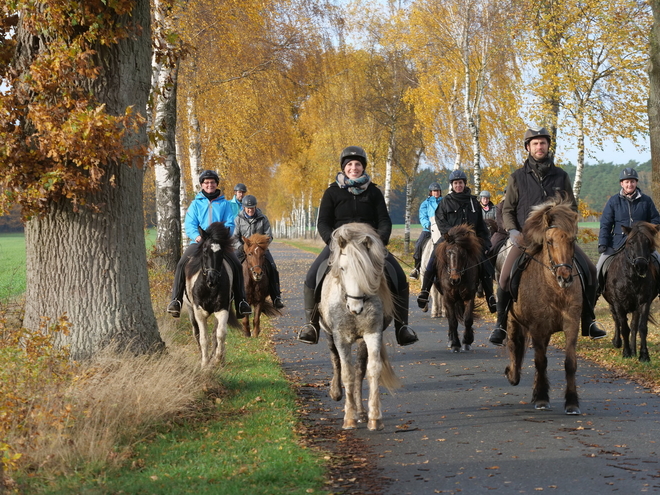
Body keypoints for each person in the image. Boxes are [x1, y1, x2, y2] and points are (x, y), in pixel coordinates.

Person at [488, 127, 606, 346]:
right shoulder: (517, 178)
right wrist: (513, 231)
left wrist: (569, 231)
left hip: (559, 239)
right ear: (528, 148)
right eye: (535, 144)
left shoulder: (561, 176)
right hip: (528, 239)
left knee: (590, 271)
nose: (539, 147)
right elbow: (508, 210)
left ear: (547, 146)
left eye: (542, 143)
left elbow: (571, 207)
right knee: (505, 277)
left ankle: (589, 321)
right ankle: (501, 324)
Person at [296, 146, 418, 346]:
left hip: (369, 244)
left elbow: (384, 220)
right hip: (340, 244)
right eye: (350, 165)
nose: (354, 168)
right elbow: (323, 222)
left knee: (399, 277)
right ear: (344, 168)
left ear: (363, 167)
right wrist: (333, 241)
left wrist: (380, 240)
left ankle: (402, 327)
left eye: (358, 165)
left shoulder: (374, 192)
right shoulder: (332, 192)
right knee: (312, 277)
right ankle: (311, 325)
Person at [166, 170, 252, 318]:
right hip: (199, 242)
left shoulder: (224, 204)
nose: (209, 185)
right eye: (206, 183)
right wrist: (197, 237)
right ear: (201, 185)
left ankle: (241, 302)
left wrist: (223, 236)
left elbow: (230, 223)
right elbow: (190, 224)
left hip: (220, 243)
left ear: (216, 184)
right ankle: (176, 300)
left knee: (237, 265)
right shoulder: (195, 204)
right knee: (181, 264)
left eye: (212, 182)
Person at [416, 169, 497, 314]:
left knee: (486, 266)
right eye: (455, 183)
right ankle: (424, 292)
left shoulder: (473, 202)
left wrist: (485, 241)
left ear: (464, 184)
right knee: (432, 260)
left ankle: (490, 296)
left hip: (470, 242)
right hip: (449, 240)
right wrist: (452, 235)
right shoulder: (446, 201)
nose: (458, 185)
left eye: (460, 183)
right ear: (452, 185)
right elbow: (441, 221)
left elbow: (480, 225)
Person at [596, 167, 660, 278]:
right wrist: (602, 242)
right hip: (617, 242)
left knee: (658, 261)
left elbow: (656, 220)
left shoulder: (646, 200)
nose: (629, 184)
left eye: (632, 181)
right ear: (622, 184)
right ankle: (595, 291)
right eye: (627, 182)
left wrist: (646, 233)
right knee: (598, 268)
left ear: (636, 183)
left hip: (641, 243)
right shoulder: (613, 201)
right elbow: (605, 224)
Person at [233, 194, 285, 309]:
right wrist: (241, 247)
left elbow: (269, 236)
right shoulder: (238, 219)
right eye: (248, 208)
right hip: (244, 249)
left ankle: (276, 296)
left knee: (272, 266)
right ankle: (230, 295)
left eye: (252, 208)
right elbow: (235, 237)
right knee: (231, 265)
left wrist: (262, 246)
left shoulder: (263, 218)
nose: (250, 210)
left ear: (255, 207)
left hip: (260, 250)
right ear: (244, 208)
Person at [410, 182, 443, 279]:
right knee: (419, 245)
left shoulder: (445, 202)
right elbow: (423, 217)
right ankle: (416, 269)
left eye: (437, 191)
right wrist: (428, 225)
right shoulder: (425, 204)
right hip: (428, 229)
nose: (436, 192)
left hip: (442, 229)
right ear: (431, 192)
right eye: (434, 191)